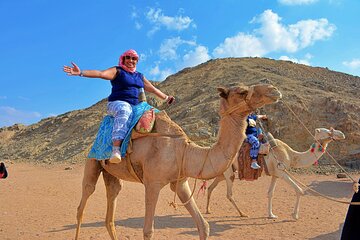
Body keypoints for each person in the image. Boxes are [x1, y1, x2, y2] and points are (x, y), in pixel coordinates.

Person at [63, 49, 175, 164]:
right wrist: (81, 72)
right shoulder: (118, 71)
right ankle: (116, 149)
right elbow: (101, 74)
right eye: (128, 57)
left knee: (156, 114)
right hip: (117, 103)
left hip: (136, 105)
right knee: (124, 110)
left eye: (134, 58)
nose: (131, 60)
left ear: (137, 61)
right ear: (123, 59)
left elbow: (153, 89)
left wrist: (166, 98)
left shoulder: (139, 76)